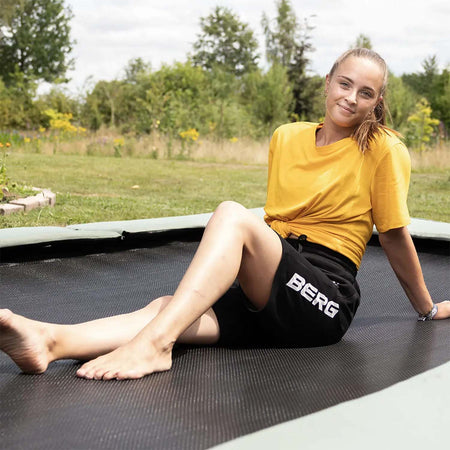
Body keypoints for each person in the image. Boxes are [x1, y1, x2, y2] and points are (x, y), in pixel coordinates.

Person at [1, 48, 449, 380]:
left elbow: (392, 236)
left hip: (324, 296)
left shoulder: (384, 148)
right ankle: (50, 341)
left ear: (377, 101)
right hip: (268, 279)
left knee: (233, 216)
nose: (351, 98)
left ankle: (156, 346)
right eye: (345, 84)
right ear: (328, 81)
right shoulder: (286, 137)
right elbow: (282, 225)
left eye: (366, 93)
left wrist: (426, 310)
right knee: (168, 307)